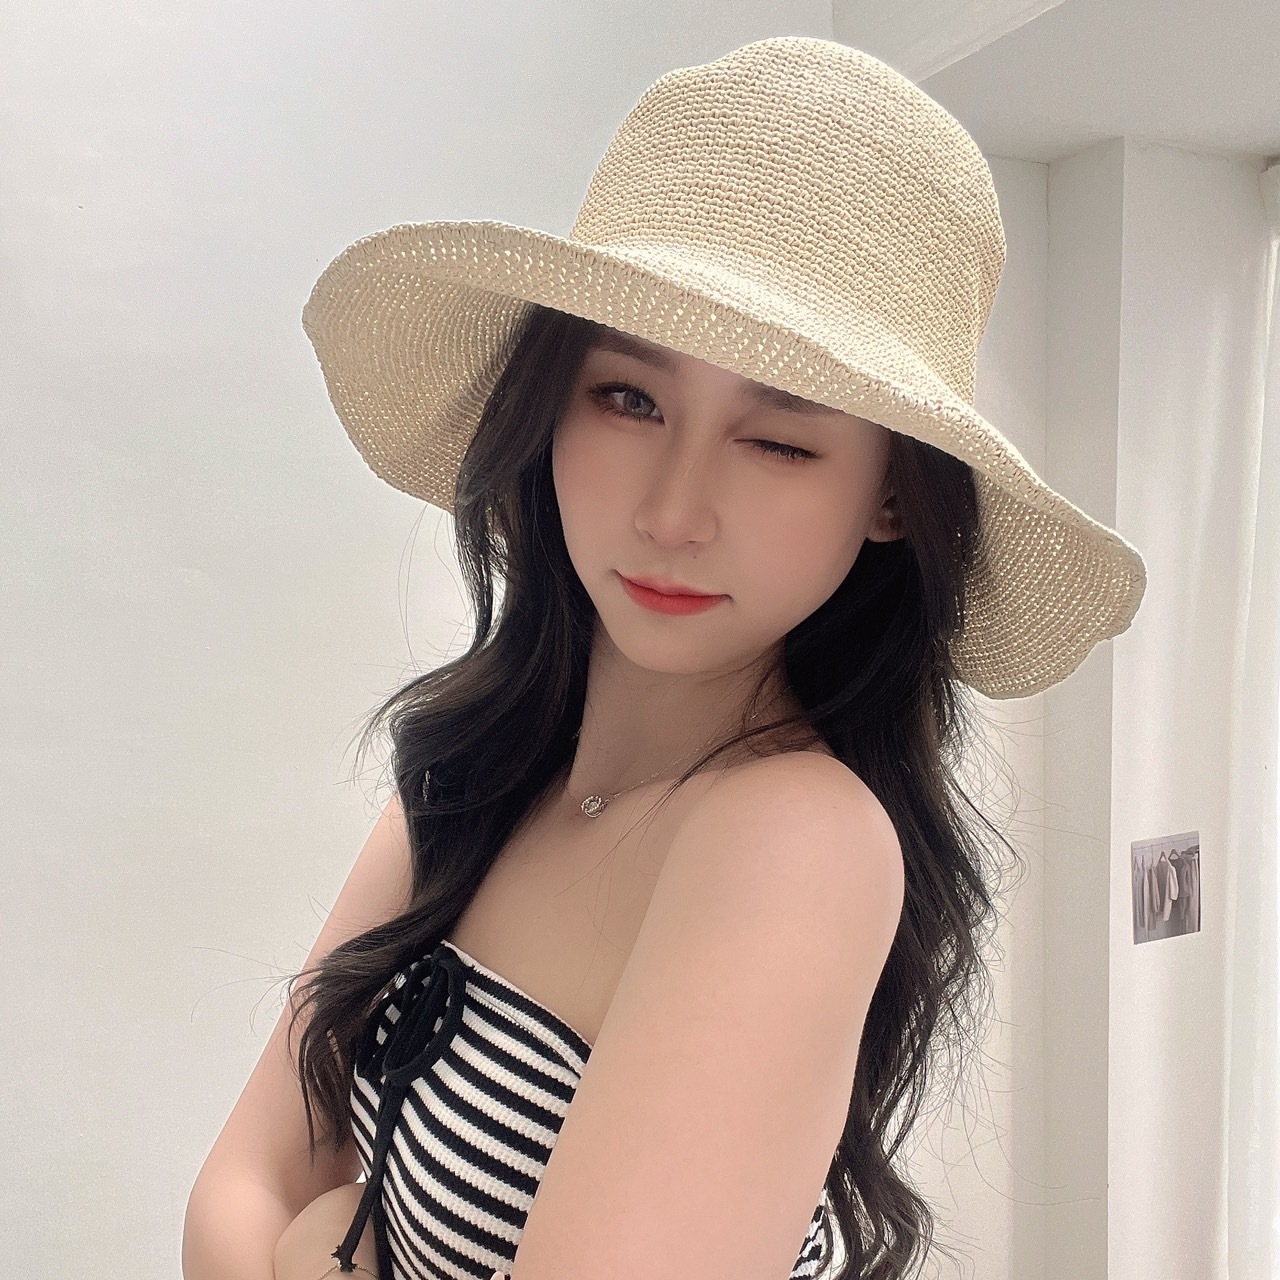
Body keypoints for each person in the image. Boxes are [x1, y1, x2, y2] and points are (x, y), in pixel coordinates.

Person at [182, 35, 1147, 1280]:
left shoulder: (793, 836)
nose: (673, 511)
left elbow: (287, 1213)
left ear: (888, 498)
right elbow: (236, 1194)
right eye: (628, 399)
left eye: (779, 442)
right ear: (550, 405)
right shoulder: (471, 768)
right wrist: (299, 1227)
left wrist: (324, 1239)